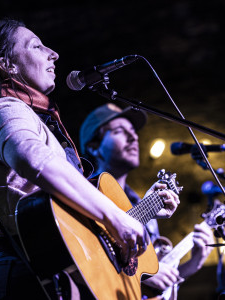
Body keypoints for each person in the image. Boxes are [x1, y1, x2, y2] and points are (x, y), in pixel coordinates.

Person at [0, 19, 180, 300]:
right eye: (36, 46)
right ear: (7, 65)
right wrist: (116, 218)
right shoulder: (4, 109)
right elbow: (36, 162)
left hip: (47, 271)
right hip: (20, 276)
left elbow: (80, 229)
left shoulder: (29, 117)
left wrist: (144, 209)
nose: (54, 54)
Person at [79, 103, 215, 299]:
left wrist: (192, 265)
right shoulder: (82, 193)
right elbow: (85, 258)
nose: (133, 137)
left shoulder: (143, 205)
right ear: (93, 147)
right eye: (119, 131)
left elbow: (148, 286)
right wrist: (143, 274)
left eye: (133, 131)